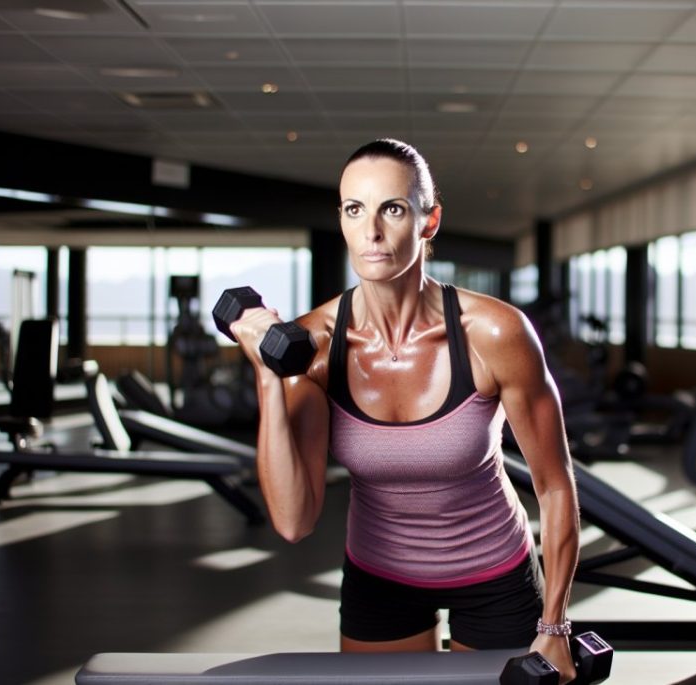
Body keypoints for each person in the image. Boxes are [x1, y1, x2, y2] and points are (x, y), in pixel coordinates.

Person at [229, 138, 581, 682]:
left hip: (496, 573)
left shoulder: (493, 332)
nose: (370, 232)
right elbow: (294, 521)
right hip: (380, 579)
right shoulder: (313, 346)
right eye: (354, 210)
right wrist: (268, 378)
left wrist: (555, 625)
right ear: (341, 220)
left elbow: (555, 487)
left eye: (392, 209)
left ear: (429, 221)